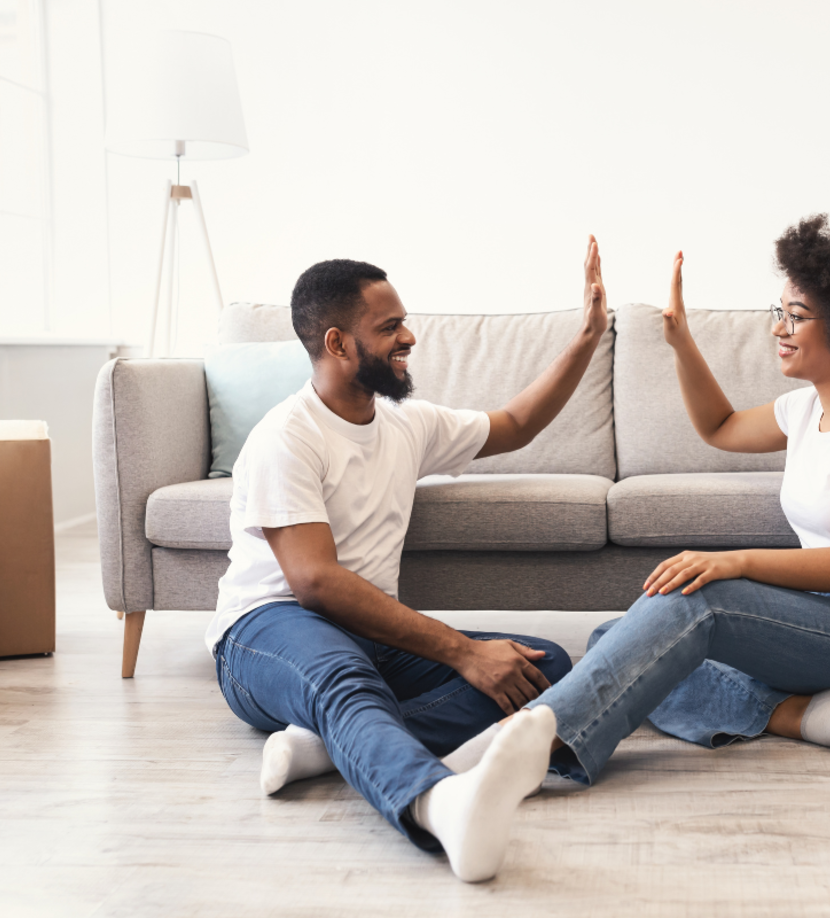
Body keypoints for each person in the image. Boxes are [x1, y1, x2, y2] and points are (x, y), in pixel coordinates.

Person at [207, 238, 611, 882]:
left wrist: (588, 336)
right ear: (338, 344)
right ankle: (439, 805)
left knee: (541, 665)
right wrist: (461, 650)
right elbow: (313, 582)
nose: (410, 338)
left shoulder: (407, 424)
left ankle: (329, 746)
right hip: (265, 633)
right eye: (390, 327)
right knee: (348, 675)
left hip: (370, 636)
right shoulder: (286, 438)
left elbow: (515, 424)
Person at [512, 214, 830, 785]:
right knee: (618, 640)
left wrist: (735, 561)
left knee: (694, 602)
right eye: (779, 313)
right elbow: (719, 425)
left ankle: (527, 744)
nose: (778, 329)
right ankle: (802, 715)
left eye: (795, 317)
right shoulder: (802, 411)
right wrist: (681, 341)